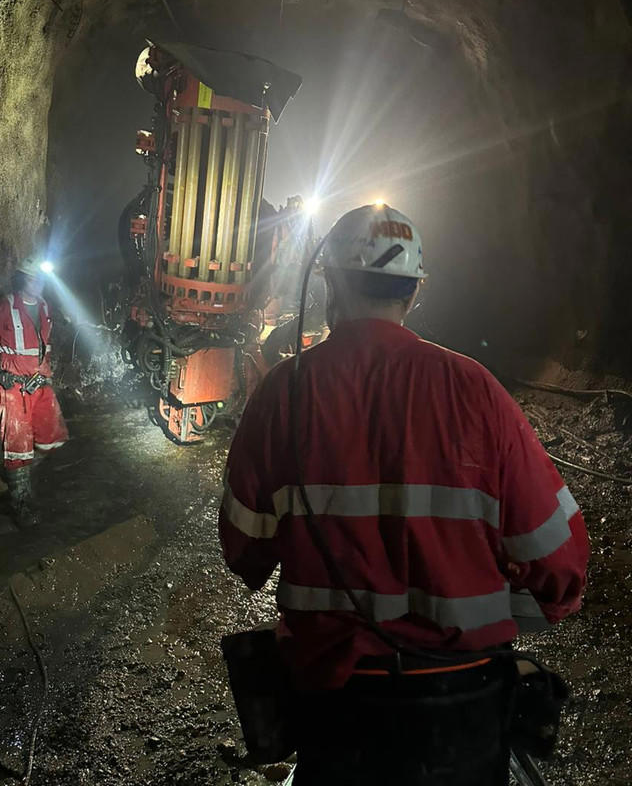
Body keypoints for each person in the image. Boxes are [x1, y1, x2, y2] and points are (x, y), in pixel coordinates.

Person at [219, 204, 589, 785]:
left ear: (330, 284)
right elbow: (561, 561)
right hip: (461, 703)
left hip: (335, 704)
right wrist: (509, 610)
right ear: (414, 292)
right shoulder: (476, 390)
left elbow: (244, 552)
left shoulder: (281, 395)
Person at [0, 256, 68, 525]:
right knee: (18, 446)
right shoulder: (4, 307)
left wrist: (47, 378)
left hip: (39, 385)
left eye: (42, 279)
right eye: (34, 278)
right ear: (23, 279)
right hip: (13, 388)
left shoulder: (45, 307)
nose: (38, 284)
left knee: (52, 437)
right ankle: (21, 502)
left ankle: (19, 474)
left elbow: (43, 348)